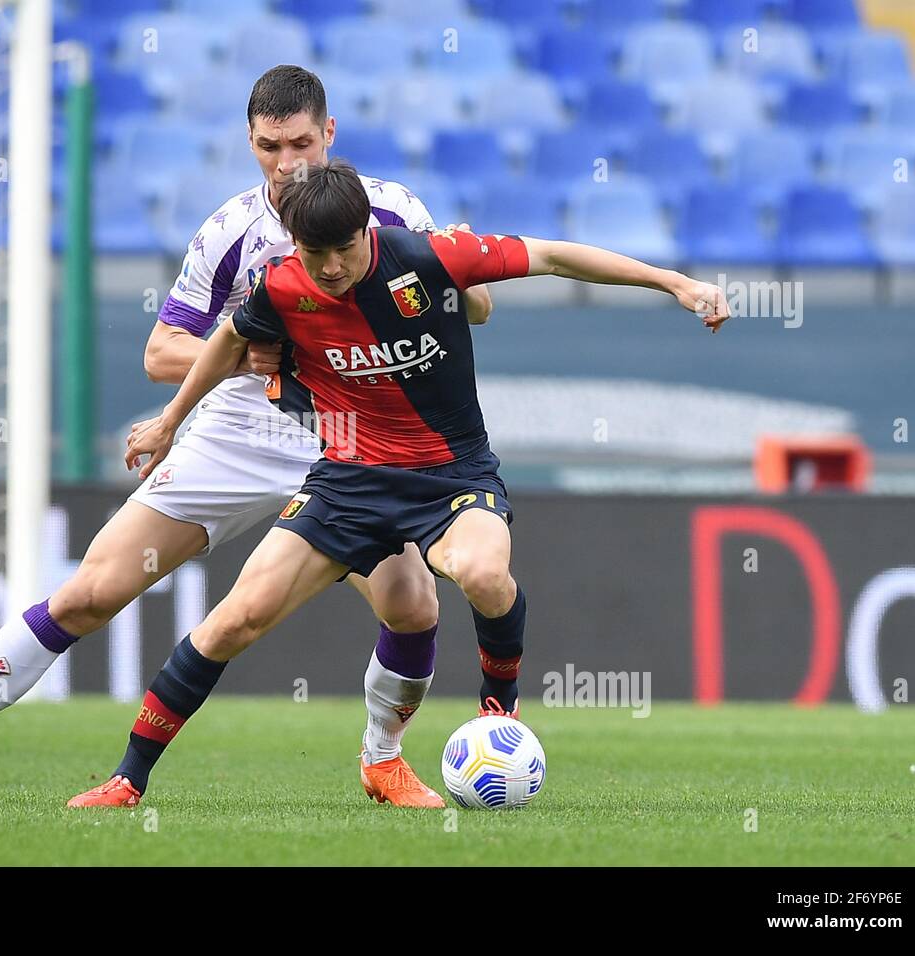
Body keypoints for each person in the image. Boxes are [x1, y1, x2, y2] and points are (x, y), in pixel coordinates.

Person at [0, 65, 492, 808]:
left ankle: (382, 759)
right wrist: (254, 360)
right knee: (92, 591)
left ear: (330, 133)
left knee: (412, 606)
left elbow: (460, 301)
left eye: (299, 144)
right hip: (238, 430)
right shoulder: (230, 232)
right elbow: (163, 353)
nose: (286, 165)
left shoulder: (391, 211)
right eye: (267, 147)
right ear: (250, 142)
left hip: (350, 435)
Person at [66, 159, 729, 807]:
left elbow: (554, 256)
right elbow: (228, 336)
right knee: (232, 621)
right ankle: (128, 780)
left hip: (452, 475)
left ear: (368, 231)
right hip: (347, 481)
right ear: (295, 242)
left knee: (481, 574)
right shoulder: (281, 284)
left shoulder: (430, 257)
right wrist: (171, 421)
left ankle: (499, 706)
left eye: (344, 248)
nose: (330, 267)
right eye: (315, 250)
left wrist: (674, 282)